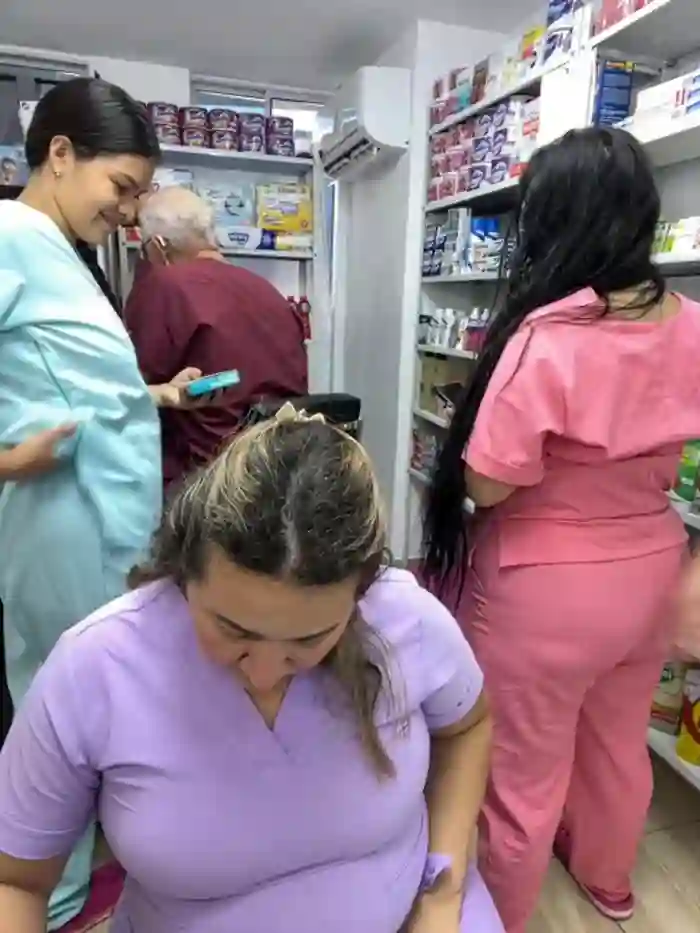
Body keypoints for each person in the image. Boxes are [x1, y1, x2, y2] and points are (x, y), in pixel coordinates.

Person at [0, 404, 502, 933]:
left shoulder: (404, 617)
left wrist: (442, 892)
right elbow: (15, 881)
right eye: (232, 630)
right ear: (183, 571)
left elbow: (467, 727)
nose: (264, 672)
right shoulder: (96, 667)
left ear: (361, 595)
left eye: (308, 640)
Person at [421, 127, 700, 933]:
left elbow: (488, 481)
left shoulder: (549, 334)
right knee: (617, 740)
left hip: (547, 586)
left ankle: (504, 914)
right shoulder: (691, 322)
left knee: (520, 769)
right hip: (652, 567)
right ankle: (610, 881)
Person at [0, 77, 214, 929]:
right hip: (60, 517)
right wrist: (7, 459)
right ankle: (43, 895)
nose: (127, 213)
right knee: (64, 708)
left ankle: (89, 864)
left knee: (104, 694)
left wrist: (153, 395)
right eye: (121, 187)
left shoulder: (58, 249)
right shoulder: (9, 238)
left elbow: (69, 378)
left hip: (104, 519)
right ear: (59, 154)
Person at [124, 186, 308, 489]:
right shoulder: (267, 291)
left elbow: (131, 386)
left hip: (202, 483)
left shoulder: (164, 286)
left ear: (158, 245)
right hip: (275, 472)